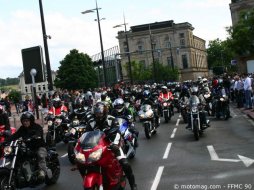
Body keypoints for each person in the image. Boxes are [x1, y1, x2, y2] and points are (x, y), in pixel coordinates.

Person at [87, 102, 138, 190]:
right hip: (96, 148)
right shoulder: (91, 122)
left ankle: (133, 185)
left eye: (99, 112)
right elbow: (86, 135)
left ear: (104, 112)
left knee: (125, 163)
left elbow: (117, 132)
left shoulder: (112, 119)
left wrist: (114, 144)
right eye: (96, 112)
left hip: (111, 145)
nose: (98, 114)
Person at [7, 111, 52, 180]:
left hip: (39, 146)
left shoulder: (37, 127)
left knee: (40, 154)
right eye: (23, 121)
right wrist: (6, 140)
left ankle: (43, 171)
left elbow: (39, 132)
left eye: (27, 121)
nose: (25, 122)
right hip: (29, 147)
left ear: (31, 121)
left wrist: (36, 136)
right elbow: (15, 135)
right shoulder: (22, 128)